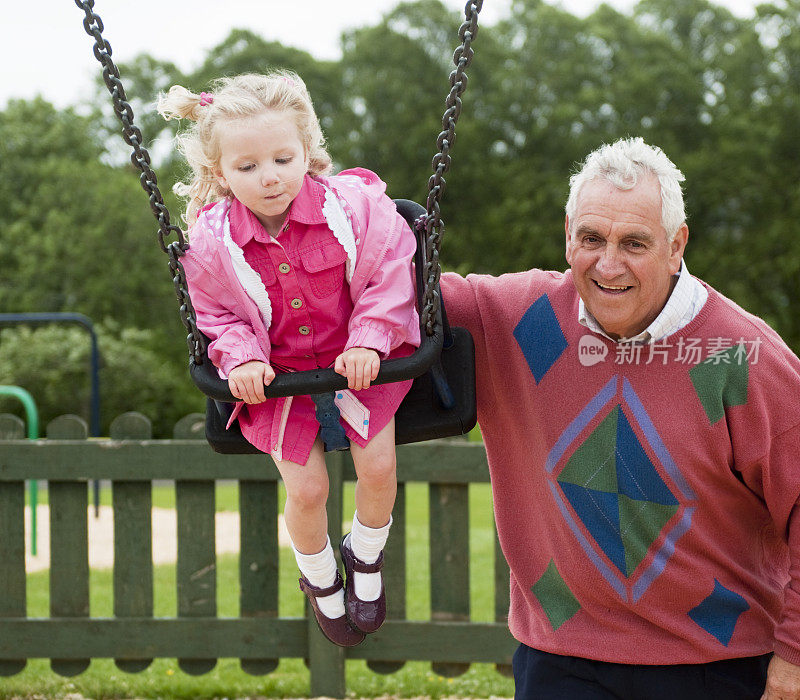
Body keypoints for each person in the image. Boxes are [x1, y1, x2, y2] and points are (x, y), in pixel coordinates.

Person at [440, 137, 800, 699]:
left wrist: (795, 660)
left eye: (634, 242)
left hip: (715, 665)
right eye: (591, 238)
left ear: (677, 245)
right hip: (559, 661)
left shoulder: (740, 356)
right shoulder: (513, 321)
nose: (608, 264)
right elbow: (384, 304)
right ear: (567, 235)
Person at [158, 71, 420, 647]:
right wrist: (242, 360)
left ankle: (366, 556)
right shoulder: (211, 243)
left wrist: (371, 337)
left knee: (378, 469)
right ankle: (321, 577)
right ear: (219, 172)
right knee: (306, 491)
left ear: (307, 150)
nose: (269, 177)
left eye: (282, 158)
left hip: (362, 366)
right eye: (247, 167)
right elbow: (217, 315)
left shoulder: (353, 209)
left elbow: (390, 269)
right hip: (280, 384)